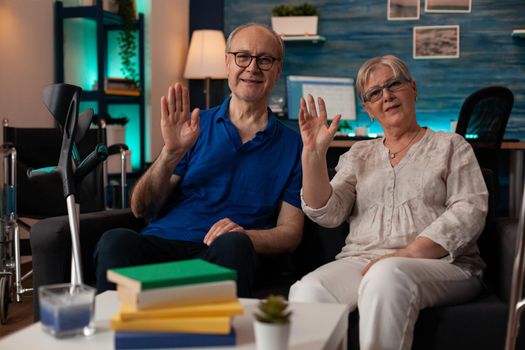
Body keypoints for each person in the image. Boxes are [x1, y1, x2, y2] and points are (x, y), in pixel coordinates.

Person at [288, 55, 488, 350]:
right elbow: (328, 213)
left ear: (414, 88)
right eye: (375, 93)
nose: (387, 96)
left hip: (443, 263)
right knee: (308, 291)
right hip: (363, 260)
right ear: (367, 108)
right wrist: (313, 155)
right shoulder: (358, 155)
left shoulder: (451, 146)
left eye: (394, 84)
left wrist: (407, 253)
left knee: (386, 275)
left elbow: (469, 211)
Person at [94, 23, 304, 297]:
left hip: (222, 254)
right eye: (242, 56)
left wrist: (244, 234)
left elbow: (290, 233)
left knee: (234, 247)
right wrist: (171, 153)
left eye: (265, 60)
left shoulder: (293, 145)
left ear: (277, 70)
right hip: (162, 246)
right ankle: (116, 335)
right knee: (115, 241)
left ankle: (200, 332)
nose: (252, 68)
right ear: (227, 63)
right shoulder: (194, 126)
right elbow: (140, 208)